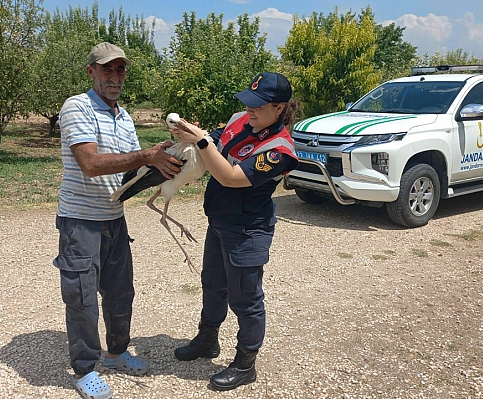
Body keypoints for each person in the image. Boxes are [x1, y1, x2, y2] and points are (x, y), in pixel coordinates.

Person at [53, 42, 182, 399]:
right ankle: (84, 370)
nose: (114, 76)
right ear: (91, 71)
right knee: (82, 298)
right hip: (80, 220)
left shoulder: (123, 116)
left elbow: (132, 168)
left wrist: (173, 153)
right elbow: (91, 164)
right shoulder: (77, 107)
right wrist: (146, 155)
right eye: (107, 69)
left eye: (120, 69)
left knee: (120, 292)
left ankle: (115, 353)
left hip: (114, 218)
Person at [170, 72, 300, 391]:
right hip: (219, 221)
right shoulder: (241, 121)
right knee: (212, 284)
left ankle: (245, 363)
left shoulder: (279, 150)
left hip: (247, 230)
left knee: (246, 299)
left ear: (280, 108)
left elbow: (229, 176)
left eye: (258, 105)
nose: (249, 110)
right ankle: (207, 339)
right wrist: (189, 136)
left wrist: (200, 141)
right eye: (248, 102)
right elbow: (213, 142)